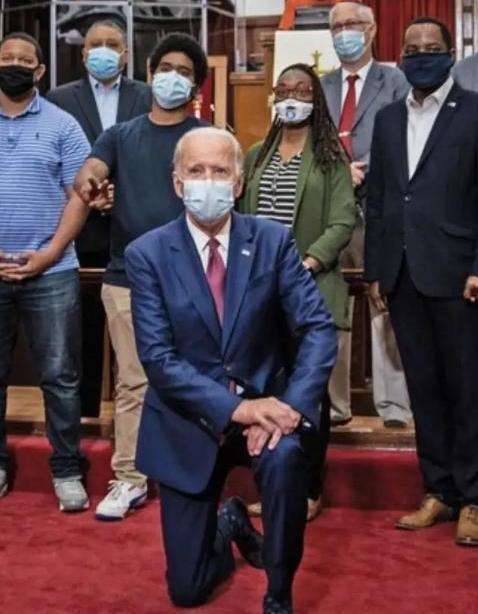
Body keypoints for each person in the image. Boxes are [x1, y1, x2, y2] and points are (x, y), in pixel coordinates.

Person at [125, 126, 338, 614]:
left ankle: (279, 592)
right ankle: (232, 522)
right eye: (196, 171)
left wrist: (290, 407)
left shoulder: (272, 241)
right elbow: (158, 359)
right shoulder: (147, 254)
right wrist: (239, 409)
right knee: (187, 591)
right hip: (189, 420)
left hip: (268, 411)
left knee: (285, 460)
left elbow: (318, 329)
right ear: (177, 182)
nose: (208, 181)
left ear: (238, 183)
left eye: (220, 170)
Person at [74, 33, 209, 521]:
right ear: (150, 74)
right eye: (166, 68)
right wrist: (91, 181)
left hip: (191, 278)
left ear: (196, 86)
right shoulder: (120, 134)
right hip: (126, 279)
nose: (173, 77)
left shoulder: (205, 137)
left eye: (184, 72)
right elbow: (91, 169)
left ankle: (190, 472)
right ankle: (129, 478)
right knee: (133, 383)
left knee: (191, 379)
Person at [365, 17, 478, 545]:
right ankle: (439, 491)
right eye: (412, 49)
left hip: (459, 275)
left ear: (451, 53)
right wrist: (376, 270)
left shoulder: (474, 112)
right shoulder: (388, 119)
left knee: (467, 390)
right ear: (400, 57)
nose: (422, 56)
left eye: (432, 48)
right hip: (403, 274)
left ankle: (473, 497)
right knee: (424, 390)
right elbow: (381, 199)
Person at [239, 62, 355, 521]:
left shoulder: (330, 156)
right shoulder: (255, 155)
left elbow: (342, 222)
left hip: (309, 289)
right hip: (260, 293)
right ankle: (274, 486)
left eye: (302, 90)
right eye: (284, 89)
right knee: (267, 391)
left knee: (308, 396)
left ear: (315, 98)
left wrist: (303, 264)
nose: (292, 97)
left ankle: (308, 489)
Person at [0, 32, 92, 511]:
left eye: (24, 59)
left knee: (60, 376)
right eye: (6, 58)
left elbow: (80, 195)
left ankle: (66, 468)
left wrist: (51, 253)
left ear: (40, 71)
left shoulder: (63, 124)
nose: (14, 65)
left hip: (52, 271)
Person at [47, 20, 152, 419]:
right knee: (85, 329)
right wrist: (89, 197)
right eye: (96, 44)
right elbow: (54, 161)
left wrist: (121, 195)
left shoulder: (146, 96)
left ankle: (142, 414)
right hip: (82, 229)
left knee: (139, 330)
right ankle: (86, 414)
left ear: (126, 54)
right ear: (84, 52)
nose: (103, 50)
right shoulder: (59, 98)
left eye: (112, 44)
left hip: (136, 228)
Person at [321, 1, 411, 428]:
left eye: (353, 24)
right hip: (331, 211)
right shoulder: (321, 85)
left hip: (381, 206)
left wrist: (364, 169)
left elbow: (405, 136)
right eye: (337, 26)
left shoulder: (396, 81)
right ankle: (334, 405)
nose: (344, 33)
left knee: (384, 301)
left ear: (372, 30)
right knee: (331, 306)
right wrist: (339, 172)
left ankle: (394, 407)